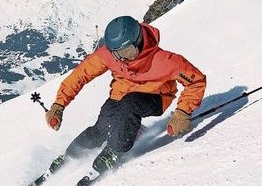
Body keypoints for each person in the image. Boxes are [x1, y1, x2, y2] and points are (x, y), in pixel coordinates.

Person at [44, 15, 206, 173]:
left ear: (138, 41)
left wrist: (182, 112)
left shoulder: (165, 61)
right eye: (117, 54)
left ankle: (115, 150)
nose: (123, 59)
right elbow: (80, 75)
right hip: (120, 95)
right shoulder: (109, 55)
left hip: (155, 96)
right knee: (102, 128)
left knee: (130, 104)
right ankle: (71, 155)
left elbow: (196, 81)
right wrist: (59, 104)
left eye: (128, 52)